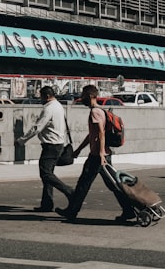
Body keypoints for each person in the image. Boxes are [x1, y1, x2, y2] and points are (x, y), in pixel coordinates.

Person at [55, 84, 136, 223]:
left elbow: (101, 133)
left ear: (92, 96)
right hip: (101, 154)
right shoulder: (100, 111)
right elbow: (92, 135)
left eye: (84, 96)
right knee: (113, 184)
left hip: (98, 156)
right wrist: (79, 150)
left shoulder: (95, 112)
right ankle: (128, 210)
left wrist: (101, 153)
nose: (82, 98)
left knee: (83, 183)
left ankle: (72, 211)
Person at [16, 85, 74, 212]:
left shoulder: (49, 109)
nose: (40, 99)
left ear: (47, 96)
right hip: (58, 144)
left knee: (45, 174)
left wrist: (22, 140)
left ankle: (68, 191)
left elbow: (37, 128)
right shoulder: (58, 106)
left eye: (41, 96)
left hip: (51, 146)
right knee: (48, 174)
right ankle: (47, 204)